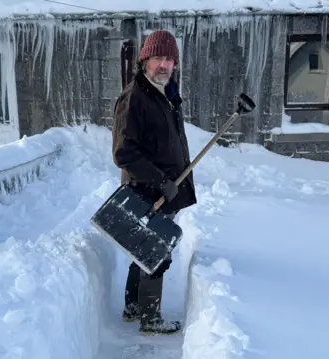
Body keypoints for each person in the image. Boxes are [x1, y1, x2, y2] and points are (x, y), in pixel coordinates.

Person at [111, 29, 197, 334]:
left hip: (163, 190)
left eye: (169, 59)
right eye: (158, 57)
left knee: (143, 250)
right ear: (145, 60)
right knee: (155, 254)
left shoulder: (165, 94)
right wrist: (162, 182)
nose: (164, 64)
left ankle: (133, 308)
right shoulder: (135, 98)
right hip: (147, 191)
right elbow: (124, 153)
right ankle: (150, 319)